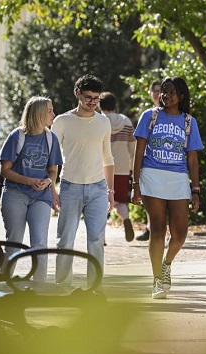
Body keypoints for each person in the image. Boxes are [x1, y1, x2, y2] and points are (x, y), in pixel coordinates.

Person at [131, 76, 203, 299]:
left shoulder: (189, 122)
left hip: (178, 179)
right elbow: (139, 152)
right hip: (152, 176)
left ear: (181, 96)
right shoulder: (149, 116)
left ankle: (166, 264)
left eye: (171, 92)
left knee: (180, 233)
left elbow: (192, 159)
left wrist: (196, 189)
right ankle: (156, 281)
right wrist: (135, 185)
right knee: (158, 229)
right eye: (164, 91)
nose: (166, 95)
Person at [51, 74, 115, 286]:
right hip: (70, 187)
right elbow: (52, 159)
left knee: (96, 241)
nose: (93, 102)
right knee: (66, 240)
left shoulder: (103, 122)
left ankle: (95, 288)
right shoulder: (62, 121)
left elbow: (108, 157)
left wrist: (111, 191)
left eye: (96, 98)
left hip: (98, 189)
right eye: (88, 97)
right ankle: (62, 285)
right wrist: (52, 188)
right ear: (77, 93)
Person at [0, 96, 63, 281]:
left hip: (41, 197)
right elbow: (5, 170)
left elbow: (52, 171)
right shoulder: (16, 136)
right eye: (50, 111)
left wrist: (48, 183)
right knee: (14, 244)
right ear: (38, 114)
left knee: (40, 244)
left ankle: (39, 288)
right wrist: (29, 180)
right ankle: (4, 286)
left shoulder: (51, 138)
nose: (54, 114)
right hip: (15, 195)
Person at [100, 92, 136, 242]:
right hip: (122, 169)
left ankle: (100, 237)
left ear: (99, 105)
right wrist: (133, 168)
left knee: (101, 203)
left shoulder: (98, 121)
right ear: (115, 104)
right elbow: (133, 148)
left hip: (101, 169)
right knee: (120, 202)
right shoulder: (125, 121)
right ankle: (126, 219)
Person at [136, 80, 162, 242]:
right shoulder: (148, 114)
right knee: (151, 199)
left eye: (160, 91)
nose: (158, 94)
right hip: (150, 163)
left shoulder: (178, 114)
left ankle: (159, 230)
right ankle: (151, 228)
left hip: (170, 167)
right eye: (155, 91)